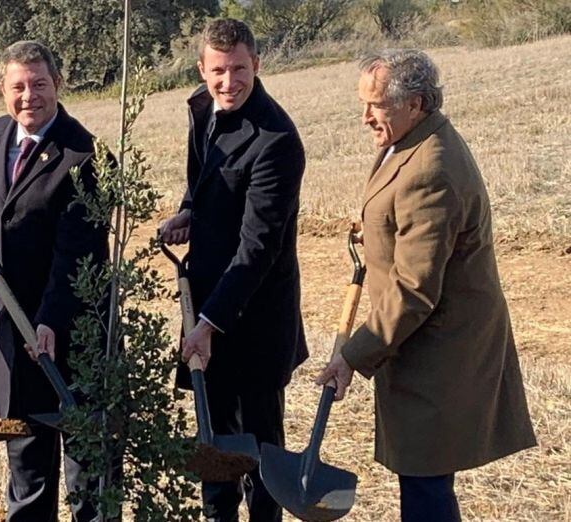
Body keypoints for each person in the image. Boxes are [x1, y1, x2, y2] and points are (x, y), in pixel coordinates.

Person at [316, 49, 536, 522]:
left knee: (426, 488)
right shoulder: (411, 141)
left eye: (376, 105)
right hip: (418, 345)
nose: (364, 117)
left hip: (438, 352)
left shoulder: (431, 169)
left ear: (414, 104)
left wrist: (353, 355)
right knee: (421, 481)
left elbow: (415, 288)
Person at [158, 18, 306, 522]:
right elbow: (202, 183)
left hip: (256, 321)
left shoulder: (277, 139)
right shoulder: (203, 110)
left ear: (256, 65)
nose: (229, 82)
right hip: (207, 306)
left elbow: (258, 247)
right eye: (218, 71)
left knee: (261, 456)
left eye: (239, 69)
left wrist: (208, 324)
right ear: (202, 69)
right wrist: (188, 211)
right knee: (213, 443)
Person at [0, 40, 108, 522]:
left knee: (88, 469)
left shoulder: (83, 156)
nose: (29, 96)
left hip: (72, 332)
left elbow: (77, 255)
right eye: (18, 86)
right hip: (14, 325)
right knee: (26, 462)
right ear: (2, 89)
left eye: (39, 84)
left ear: (58, 86)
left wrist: (50, 321)